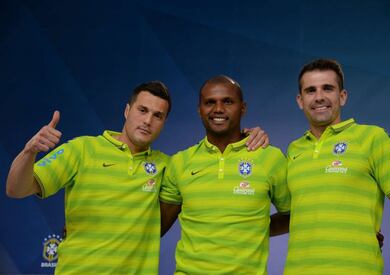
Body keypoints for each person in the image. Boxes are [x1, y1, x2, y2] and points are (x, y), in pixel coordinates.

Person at [6, 81, 268, 274]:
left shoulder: (169, 166)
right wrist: (29, 152)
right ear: (126, 110)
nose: (148, 121)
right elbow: (16, 190)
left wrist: (249, 137)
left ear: (164, 122)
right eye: (142, 110)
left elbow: (214, 181)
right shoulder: (82, 149)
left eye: (158, 116)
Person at [283, 59, 390, 274]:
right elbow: (294, 215)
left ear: (342, 96)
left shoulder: (372, 138)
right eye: (310, 90)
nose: (319, 97)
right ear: (300, 100)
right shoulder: (293, 150)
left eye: (328, 88)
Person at [160, 75, 291, 274]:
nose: (218, 109)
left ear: (243, 108)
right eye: (210, 102)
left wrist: (255, 228)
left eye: (227, 101)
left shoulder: (270, 158)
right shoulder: (180, 162)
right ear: (199, 110)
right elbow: (156, 227)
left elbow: (294, 215)